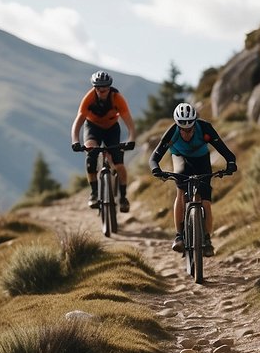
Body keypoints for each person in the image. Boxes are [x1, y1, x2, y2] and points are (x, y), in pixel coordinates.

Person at [149, 102, 237, 256]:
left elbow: (225, 151)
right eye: (184, 129)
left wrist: (230, 163)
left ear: (195, 123)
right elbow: (154, 158)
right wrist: (156, 169)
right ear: (178, 126)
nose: (187, 133)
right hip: (180, 158)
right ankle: (179, 236)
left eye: (190, 129)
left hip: (201, 159)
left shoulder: (205, 128)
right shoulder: (172, 132)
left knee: (206, 203)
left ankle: (207, 240)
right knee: (181, 192)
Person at [70, 70, 137, 212]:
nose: (101, 92)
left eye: (105, 89)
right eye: (98, 89)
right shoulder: (89, 99)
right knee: (91, 155)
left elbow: (129, 122)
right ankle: (94, 193)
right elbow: (78, 122)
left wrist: (132, 139)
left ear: (109, 87)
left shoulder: (117, 98)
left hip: (112, 129)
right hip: (92, 128)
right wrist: (75, 141)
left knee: (119, 164)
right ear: (94, 88)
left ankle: (123, 197)